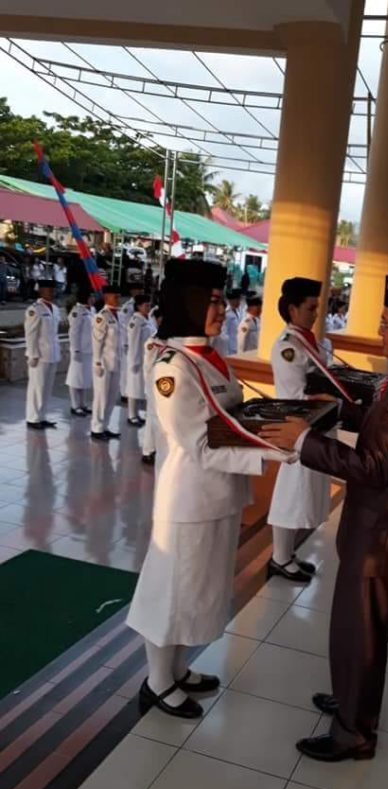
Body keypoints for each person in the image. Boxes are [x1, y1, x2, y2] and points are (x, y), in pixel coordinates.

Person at [260, 274, 388, 762]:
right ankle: (352, 697)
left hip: (381, 536)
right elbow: (382, 428)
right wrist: (339, 415)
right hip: (380, 530)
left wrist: (304, 442)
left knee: (363, 632)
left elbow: (375, 467)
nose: (381, 330)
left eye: (387, 323)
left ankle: (354, 734)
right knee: (359, 630)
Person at [126, 259, 291, 718]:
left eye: (221, 300)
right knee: (172, 591)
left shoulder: (208, 356)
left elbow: (229, 420)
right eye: (213, 301)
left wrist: (273, 426)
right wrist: (273, 452)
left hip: (218, 494)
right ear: (189, 304)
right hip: (189, 499)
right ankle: (156, 681)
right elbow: (200, 445)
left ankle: (176, 668)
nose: (222, 309)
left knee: (197, 589)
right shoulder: (172, 369)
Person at [267, 277, 331, 582]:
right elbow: (294, 396)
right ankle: (279, 557)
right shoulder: (287, 347)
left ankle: (286, 553)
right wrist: (323, 396)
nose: (315, 313)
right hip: (296, 426)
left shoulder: (306, 341)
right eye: (309, 307)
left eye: (317, 307)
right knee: (291, 492)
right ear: (292, 309)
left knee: (303, 492)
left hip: (313, 425)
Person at [24, 278, 61, 430]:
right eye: (48, 289)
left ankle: (42, 416)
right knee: (36, 387)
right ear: (40, 291)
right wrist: (32, 354)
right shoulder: (35, 309)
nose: (52, 292)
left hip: (52, 353)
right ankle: (33, 418)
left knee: (47, 388)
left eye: (53, 290)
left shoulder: (55, 308)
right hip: (39, 355)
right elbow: (31, 333)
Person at [90, 284, 123, 441]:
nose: (118, 298)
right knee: (101, 397)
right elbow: (97, 341)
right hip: (103, 363)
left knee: (111, 397)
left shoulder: (118, 315)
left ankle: (105, 426)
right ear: (106, 297)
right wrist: (97, 362)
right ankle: (96, 428)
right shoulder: (101, 316)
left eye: (118, 296)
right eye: (114, 296)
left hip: (116, 362)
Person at [65, 287, 95, 416]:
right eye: (91, 296)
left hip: (89, 349)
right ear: (85, 297)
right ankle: (74, 405)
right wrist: (75, 349)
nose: (94, 298)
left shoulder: (91, 310)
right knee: (75, 378)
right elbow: (73, 332)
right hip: (79, 350)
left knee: (84, 378)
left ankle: (82, 404)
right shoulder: (77, 311)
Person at [126, 293, 154, 426]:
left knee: (140, 387)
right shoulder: (135, 322)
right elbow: (133, 342)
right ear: (138, 306)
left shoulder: (147, 319)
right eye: (146, 305)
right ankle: (131, 415)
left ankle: (136, 413)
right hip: (137, 359)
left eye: (149, 305)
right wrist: (134, 361)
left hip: (146, 359)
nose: (148, 308)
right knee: (133, 388)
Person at [141, 307, 162, 466]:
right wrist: (150, 389)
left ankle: (154, 448)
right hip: (154, 386)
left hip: (162, 387)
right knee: (152, 419)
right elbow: (148, 368)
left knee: (158, 419)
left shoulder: (165, 339)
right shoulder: (153, 342)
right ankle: (147, 451)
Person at [119, 282, 143, 401]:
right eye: (137, 290)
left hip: (139, 342)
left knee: (137, 369)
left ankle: (135, 392)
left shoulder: (144, 304)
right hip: (128, 343)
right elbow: (123, 326)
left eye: (140, 290)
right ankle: (124, 393)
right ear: (132, 292)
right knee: (126, 368)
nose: (139, 292)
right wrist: (125, 343)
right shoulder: (127, 307)